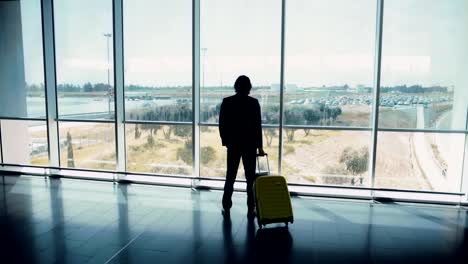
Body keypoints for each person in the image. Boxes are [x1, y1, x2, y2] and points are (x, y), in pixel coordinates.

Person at [219, 75, 265, 218]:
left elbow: (222, 124)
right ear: (249, 87)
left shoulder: (227, 102)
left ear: (236, 86)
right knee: (250, 178)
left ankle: (226, 205)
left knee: (230, 176)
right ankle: (251, 208)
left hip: (233, 145)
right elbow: (258, 126)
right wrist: (260, 146)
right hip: (249, 145)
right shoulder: (253, 103)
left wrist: (226, 141)